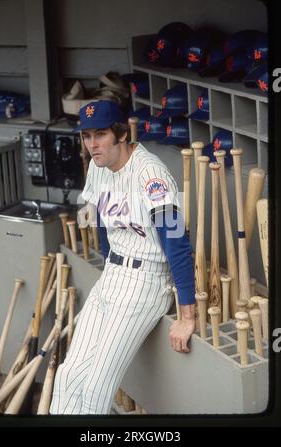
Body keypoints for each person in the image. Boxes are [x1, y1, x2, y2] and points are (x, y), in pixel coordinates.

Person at [49, 99, 196, 415]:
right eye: (87, 136)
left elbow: (177, 243)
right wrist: (108, 265)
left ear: (121, 133)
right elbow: (102, 222)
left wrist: (187, 316)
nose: (92, 145)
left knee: (96, 385)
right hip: (114, 273)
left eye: (100, 134)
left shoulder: (151, 174)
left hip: (146, 280)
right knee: (66, 376)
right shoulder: (99, 169)